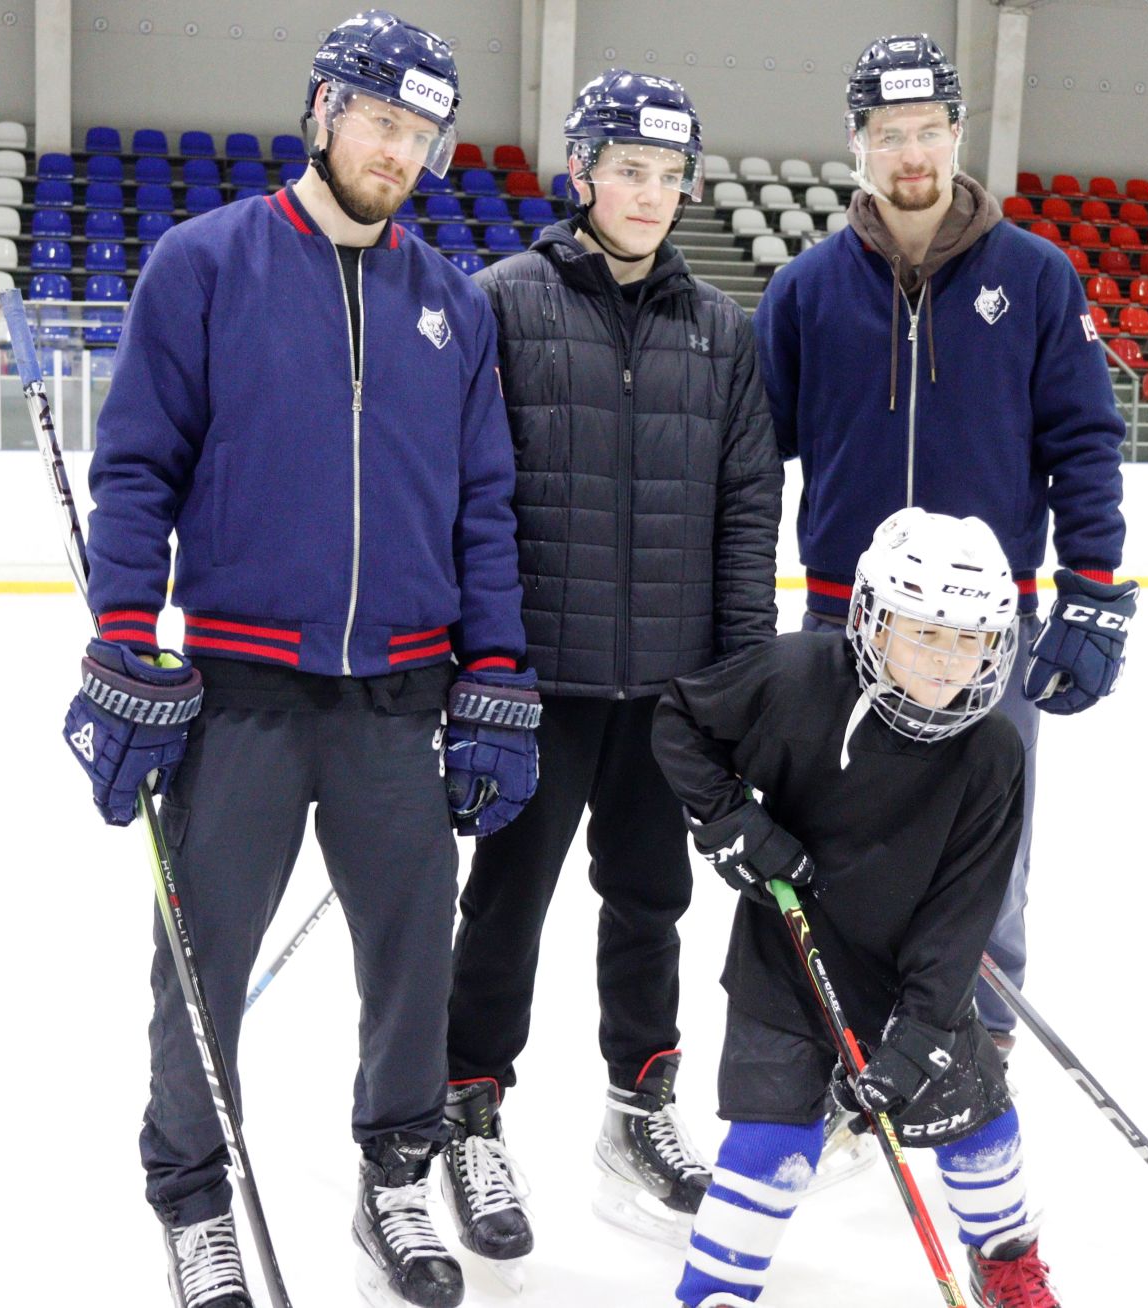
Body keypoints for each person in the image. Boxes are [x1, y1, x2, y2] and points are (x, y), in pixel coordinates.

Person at [59, 12, 535, 1307]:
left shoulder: (449, 305)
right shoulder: (203, 265)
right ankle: (195, 1199)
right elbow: (138, 472)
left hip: (397, 700)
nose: (399, 151)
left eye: (422, 135)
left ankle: (395, 1177)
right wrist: (119, 637)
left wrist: (499, 672)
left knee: (408, 964)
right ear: (323, 110)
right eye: (382, 121)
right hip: (240, 699)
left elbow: (481, 503)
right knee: (201, 966)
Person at [437, 68, 784, 1266]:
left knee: (652, 904)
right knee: (505, 908)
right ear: (580, 171)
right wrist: (480, 666)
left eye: (670, 174)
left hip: (673, 690)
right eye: (629, 168)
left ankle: (641, 1102)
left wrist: (742, 681)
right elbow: (470, 499)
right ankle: (471, 1104)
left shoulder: (723, 332)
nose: (651, 192)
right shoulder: (500, 303)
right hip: (538, 686)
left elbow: (749, 507)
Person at [753, 32, 1136, 1061]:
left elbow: (1084, 440)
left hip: (986, 627)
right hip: (844, 618)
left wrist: (1093, 587)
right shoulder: (803, 291)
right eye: (889, 133)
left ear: (958, 134)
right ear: (857, 145)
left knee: (986, 851)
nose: (910, 151)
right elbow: (750, 456)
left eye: (928, 130)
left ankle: (980, 1042)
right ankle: (849, 1038)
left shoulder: (1039, 279)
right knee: (840, 839)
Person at [653, 508, 1064, 1308]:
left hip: (909, 977)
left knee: (981, 1129)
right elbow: (680, 722)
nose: (948, 663)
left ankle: (1006, 1260)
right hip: (786, 955)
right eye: (923, 633)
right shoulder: (796, 680)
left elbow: (960, 917)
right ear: (873, 620)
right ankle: (715, 1292)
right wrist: (733, 823)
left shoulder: (992, 752)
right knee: (772, 1144)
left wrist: (918, 1040)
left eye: (968, 640)